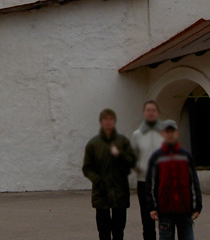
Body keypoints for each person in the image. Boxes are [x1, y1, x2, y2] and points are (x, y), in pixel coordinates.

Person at [83, 108, 136, 240]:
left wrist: (120, 155)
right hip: (101, 192)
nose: (108, 122)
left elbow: (131, 162)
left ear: (114, 121)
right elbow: (87, 167)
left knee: (119, 230)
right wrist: (98, 180)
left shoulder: (122, 141)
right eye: (105, 119)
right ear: (101, 121)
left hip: (120, 192)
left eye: (110, 119)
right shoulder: (93, 144)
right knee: (103, 230)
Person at [146, 120, 202, 240]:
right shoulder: (156, 157)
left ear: (177, 133)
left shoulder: (186, 156)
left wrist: (197, 206)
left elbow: (194, 181)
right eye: (167, 132)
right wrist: (152, 207)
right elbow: (150, 184)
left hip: (184, 209)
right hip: (165, 209)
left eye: (172, 132)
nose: (170, 134)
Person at [132, 100, 163, 240]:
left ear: (157, 113)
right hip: (144, 181)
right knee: (147, 218)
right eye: (148, 110)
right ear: (144, 113)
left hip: (162, 180)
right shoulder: (137, 134)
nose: (150, 113)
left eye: (153, 110)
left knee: (165, 217)